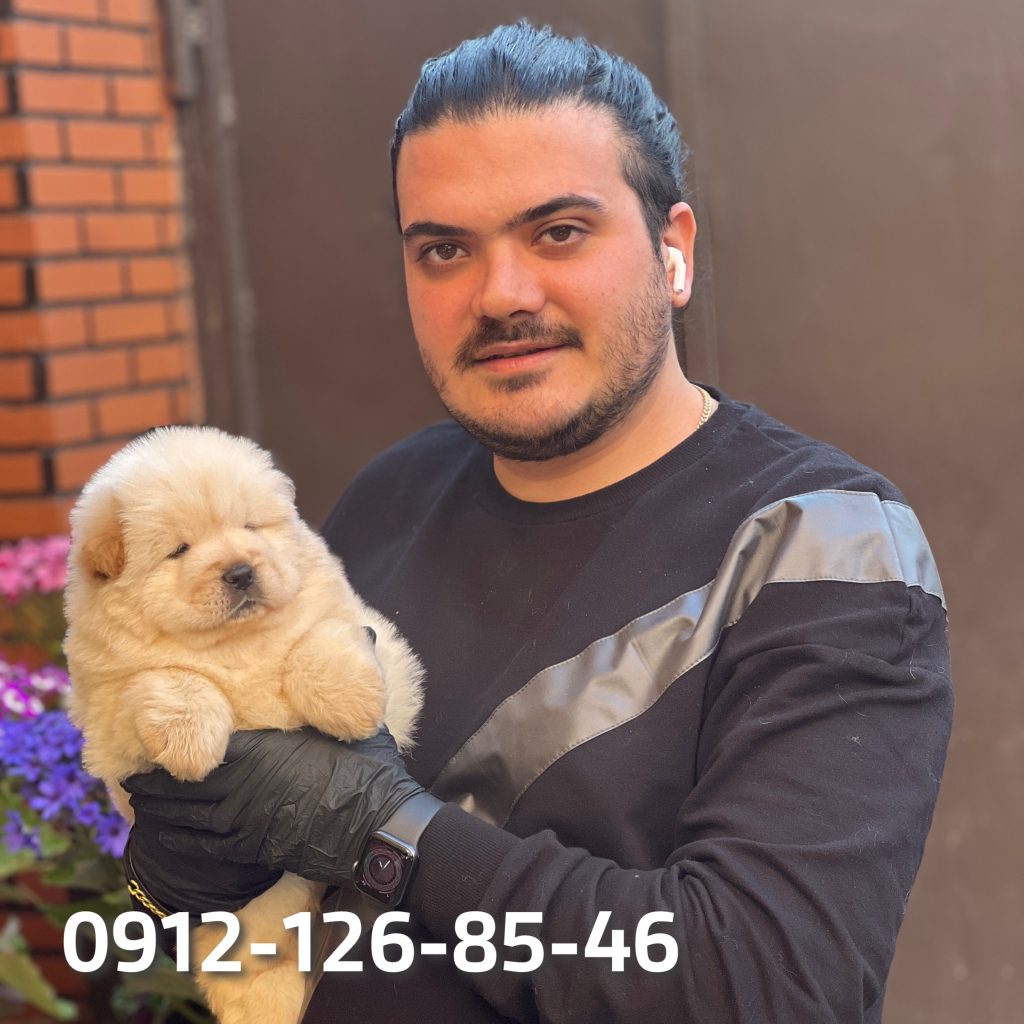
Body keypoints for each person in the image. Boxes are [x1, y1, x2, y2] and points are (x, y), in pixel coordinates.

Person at [125, 21, 953, 1023]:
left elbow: (762, 986)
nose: (501, 294)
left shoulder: (824, 546)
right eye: (443, 250)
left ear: (672, 249)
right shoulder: (387, 498)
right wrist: (180, 868)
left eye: (558, 231)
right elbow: (234, 886)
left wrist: (385, 830)